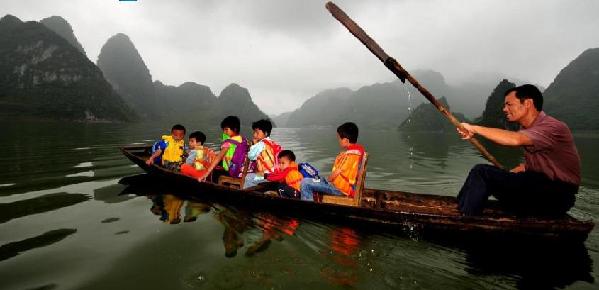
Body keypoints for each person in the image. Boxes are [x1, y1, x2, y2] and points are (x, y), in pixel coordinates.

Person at [456, 84, 580, 216]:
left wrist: (474, 129)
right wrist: (525, 167)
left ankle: (467, 219)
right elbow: (548, 161)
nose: (504, 109)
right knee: (487, 173)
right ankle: (460, 207)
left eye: (509, 104)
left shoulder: (552, 127)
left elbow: (515, 139)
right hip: (541, 188)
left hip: (557, 196)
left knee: (481, 172)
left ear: (527, 103)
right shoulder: (529, 129)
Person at [300, 122, 365, 201]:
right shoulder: (356, 152)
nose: (338, 141)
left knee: (305, 183)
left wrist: (327, 180)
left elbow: (336, 174)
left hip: (340, 189)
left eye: (339, 138)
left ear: (345, 140)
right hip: (342, 186)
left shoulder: (351, 156)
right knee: (311, 178)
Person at [198, 116, 246, 182]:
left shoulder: (228, 142)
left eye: (226, 129)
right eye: (223, 130)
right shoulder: (243, 140)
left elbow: (219, 156)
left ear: (234, 129)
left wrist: (207, 173)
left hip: (231, 172)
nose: (224, 132)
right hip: (240, 170)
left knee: (214, 171)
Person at [243, 119, 282, 189]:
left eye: (257, 133)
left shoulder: (261, 144)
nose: (254, 135)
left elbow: (251, 156)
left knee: (249, 177)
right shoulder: (272, 143)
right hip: (276, 173)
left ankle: (247, 196)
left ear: (266, 133)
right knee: (255, 174)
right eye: (254, 132)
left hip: (268, 175)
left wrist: (254, 144)